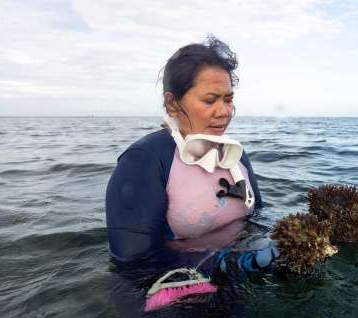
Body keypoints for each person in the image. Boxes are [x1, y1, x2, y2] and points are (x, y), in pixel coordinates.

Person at [105, 35, 263, 262]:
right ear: (172, 103)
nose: (224, 112)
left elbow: (259, 216)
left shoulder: (234, 155)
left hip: (240, 277)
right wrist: (227, 265)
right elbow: (132, 264)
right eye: (210, 100)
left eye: (228, 99)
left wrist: (281, 244)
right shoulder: (143, 160)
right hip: (185, 291)